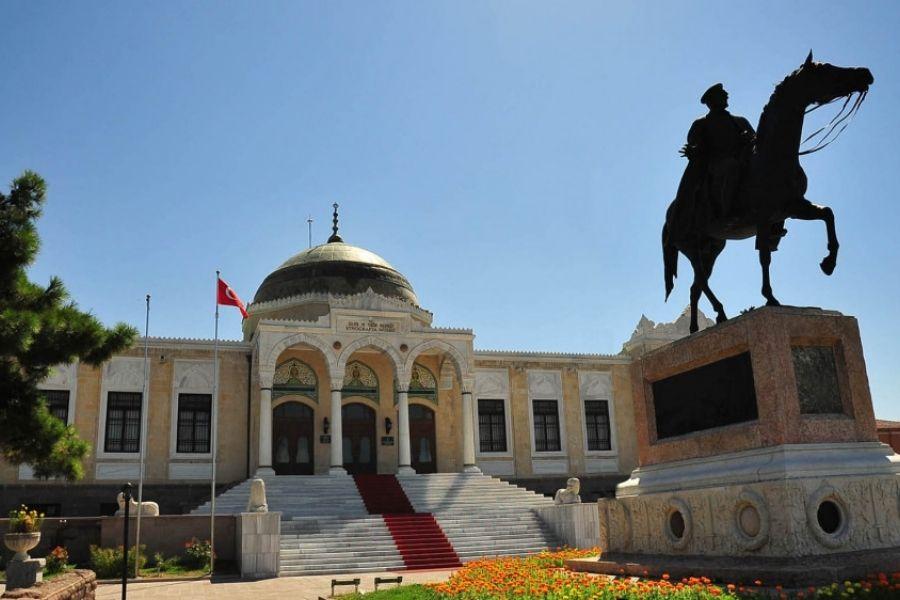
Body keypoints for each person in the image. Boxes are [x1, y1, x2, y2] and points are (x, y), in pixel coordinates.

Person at [679, 83, 756, 221]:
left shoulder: (740, 121)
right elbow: (696, 146)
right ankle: (727, 213)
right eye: (722, 94)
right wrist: (694, 151)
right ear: (712, 100)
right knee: (731, 167)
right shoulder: (701, 123)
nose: (727, 95)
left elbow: (756, 141)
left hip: (744, 160)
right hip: (717, 164)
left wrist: (748, 140)